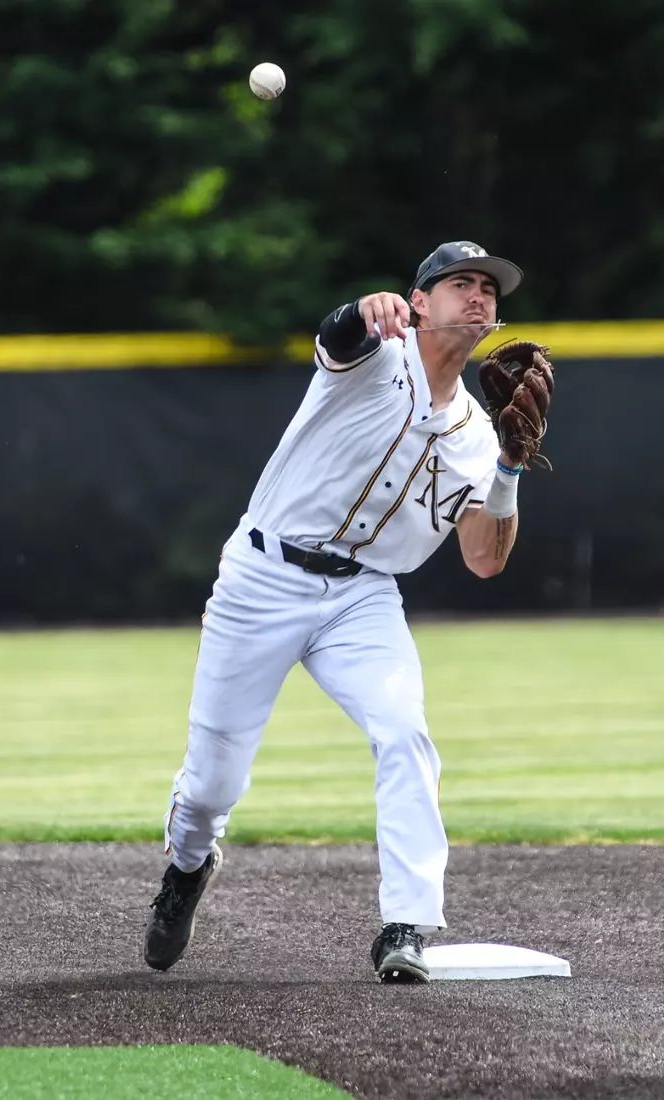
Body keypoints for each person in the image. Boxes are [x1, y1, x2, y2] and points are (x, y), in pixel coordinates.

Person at [144, 241, 553, 984]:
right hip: (262, 578)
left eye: (489, 289)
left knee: (404, 732)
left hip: (362, 597)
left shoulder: (478, 435)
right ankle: (187, 866)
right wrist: (364, 310)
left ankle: (407, 925)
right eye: (460, 283)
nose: (479, 297)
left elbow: (485, 559)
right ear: (419, 300)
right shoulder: (374, 354)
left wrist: (509, 473)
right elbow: (339, 334)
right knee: (211, 784)